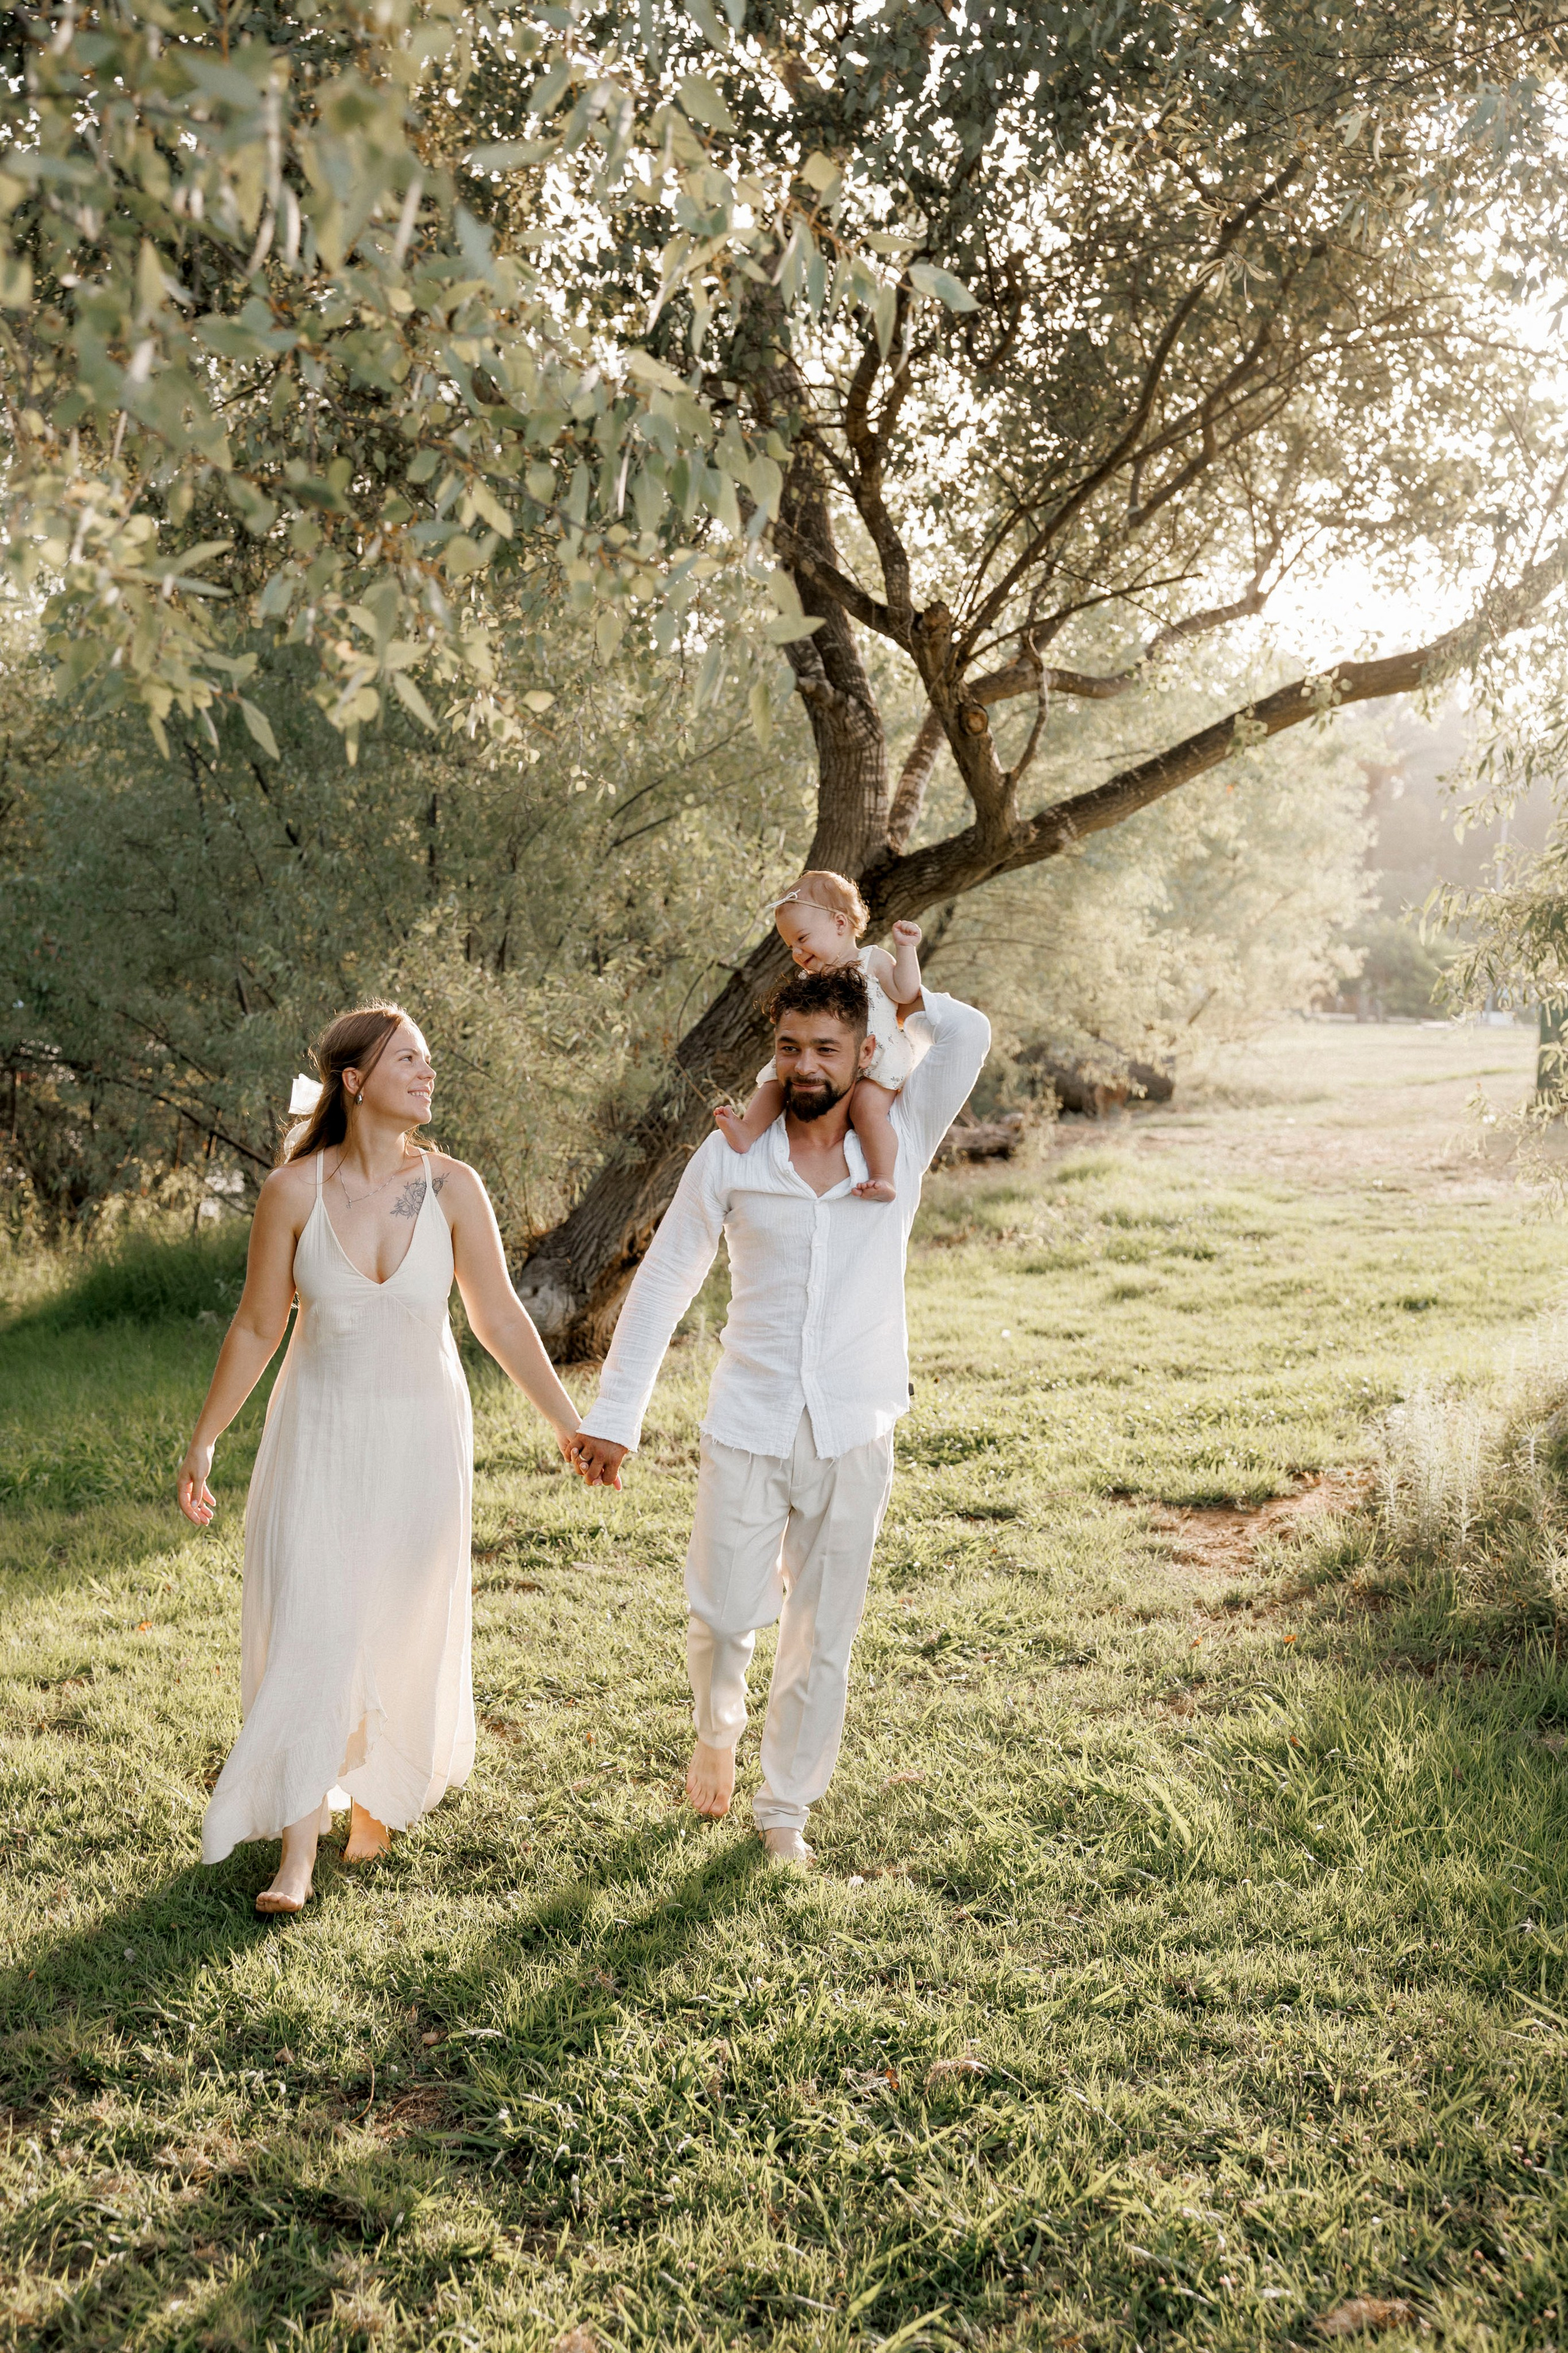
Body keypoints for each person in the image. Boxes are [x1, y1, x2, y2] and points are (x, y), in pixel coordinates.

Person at [568, 959, 990, 1863]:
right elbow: (667, 1278)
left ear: (865, 1052)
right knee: (723, 1617)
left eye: (826, 1049)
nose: (805, 1066)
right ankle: (716, 1728)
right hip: (748, 1422)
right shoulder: (732, 1153)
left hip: (856, 1426)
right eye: (790, 1047)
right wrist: (616, 1413)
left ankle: (784, 1810)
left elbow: (969, 1037)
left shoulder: (902, 1137)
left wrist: (897, 978)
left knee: (822, 1634)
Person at [176, 1002, 583, 1916]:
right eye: (409, 1059)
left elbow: (498, 1317)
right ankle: (296, 1850)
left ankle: (376, 1796)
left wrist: (567, 1422)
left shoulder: (450, 1187)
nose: (428, 1073)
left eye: (429, 1059)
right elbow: (256, 1325)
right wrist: (205, 1437)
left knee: (401, 1615)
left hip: (421, 1436)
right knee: (314, 1618)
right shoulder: (293, 1191)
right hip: (318, 1432)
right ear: (354, 1081)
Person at [714, 871, 925, 1203]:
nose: (797, 951)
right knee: (774, 1078)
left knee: (866, 1110)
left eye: (802, 938)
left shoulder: (871, 959)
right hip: (823, 1058)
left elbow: (906, 990)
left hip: (878, 1056)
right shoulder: (810, 977)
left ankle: (884, 1176)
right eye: (790, 946)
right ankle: (748, 1130)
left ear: (840, 923)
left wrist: (906, 948)